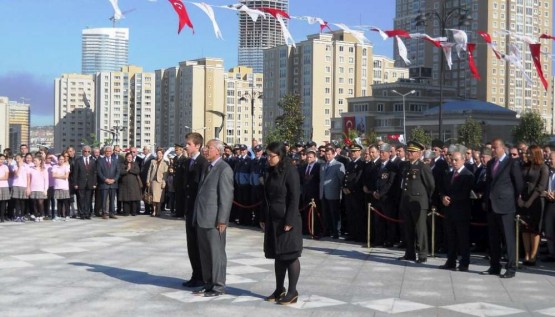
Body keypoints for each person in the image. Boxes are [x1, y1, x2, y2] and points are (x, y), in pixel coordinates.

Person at [261, 141, 302, 305]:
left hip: (287, 219)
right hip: (273, 219)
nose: (268, 159)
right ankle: (279, 289)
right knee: (278, 255)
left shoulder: (290, 171)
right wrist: (263, 217)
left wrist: (290, 220)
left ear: (280, 155)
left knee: (290, 255)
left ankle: (292, 291)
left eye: (271, 156)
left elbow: (294, 197)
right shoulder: (271, 171)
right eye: (267, 155)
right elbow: (266, 197)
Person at [192, 139, 233, 297]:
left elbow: (226, 197)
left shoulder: (224, 169)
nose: (205, 150)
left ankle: (218, 286)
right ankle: (208, 282)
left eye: (208, 147)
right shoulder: (208, 167)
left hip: (215, 220)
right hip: (202, 218)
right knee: (205, 254)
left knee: (216, 255)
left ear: (217, 150)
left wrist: (222, 220)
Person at [482, 138, 523, 278]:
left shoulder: (512, 163)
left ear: (502, 148)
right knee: (493, 239)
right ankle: (494, 266)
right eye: (491, 148)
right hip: (492, 205)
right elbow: (488, 183)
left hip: (506, 205)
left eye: (495, 147)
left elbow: (519, 185)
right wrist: (485, 200)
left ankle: (511, 268)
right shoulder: (490, 163)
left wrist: (515, 200)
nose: (492, 150)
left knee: (508, 238)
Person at [398, 141, 435, 264]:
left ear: (419, 154)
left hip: (419, 202)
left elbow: (431, 185)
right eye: (408, 151)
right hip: (407, 201)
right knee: (408, 229)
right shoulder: (406, 165)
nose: (409, 153)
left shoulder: (423, 166)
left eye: (412, 152)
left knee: (420, 230)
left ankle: (422, 254)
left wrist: (424, 198)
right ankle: (410, 253)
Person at [182, 132, 210, 288]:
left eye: (188, 144)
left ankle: (202, 276)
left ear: (197, 145)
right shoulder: (188, 162)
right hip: (189, 209)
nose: (186, 146)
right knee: (191, 245)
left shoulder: (202, 163)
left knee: (199, 245)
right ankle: (196, 274)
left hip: (198, 210)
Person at [438, 151, 474, 271]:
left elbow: (465, 193)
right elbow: (442, 189)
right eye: (452, 160)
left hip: (461, 211)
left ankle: (464, 263)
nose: (453, 162)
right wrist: (443, 197)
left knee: (463, 239)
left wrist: (451, 199)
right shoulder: (448, 174)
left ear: (463, 160)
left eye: (456, 160)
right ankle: (451, 261)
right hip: (449, 211)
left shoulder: (468, 175)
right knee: (451, 238)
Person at [518, 145, 548, 266]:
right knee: (524, 229)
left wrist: (529, 201)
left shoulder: (543, 167)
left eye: (530, 153)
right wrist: (520, 198)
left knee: (534, 229)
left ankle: (533, 255)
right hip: (524, 198)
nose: (528, 155)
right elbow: (519, 182)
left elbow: (541, 186)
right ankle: (526, 253)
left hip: (536, 201)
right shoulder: (525, 166)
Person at [319, 146, 345, 239]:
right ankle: (327, 231)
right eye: (326, 154)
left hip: (333, 193)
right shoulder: (323, 165)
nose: (327, 156)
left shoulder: (339, 165)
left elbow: (341, 179)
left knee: (334, 214)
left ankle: (336, 231)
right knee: (325, 214)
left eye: (329, 154)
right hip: (323, 193)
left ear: (334, 154)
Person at [73, 146, 97, 219]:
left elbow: (95, 173)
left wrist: (94, 183)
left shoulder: (93, 160)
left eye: (88, 151)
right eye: (85, 151)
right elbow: (75, 173)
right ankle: (81, 214)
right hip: (80, 183)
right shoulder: (78, 160)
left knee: (88, 199)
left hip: (90, 183)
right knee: (80, 199)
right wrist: (75, 183)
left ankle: (87, 213)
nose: (86, 153)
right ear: (82, 151)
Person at [97, 146, 120, 220]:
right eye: (107, 151)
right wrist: (105, 179)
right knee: (104, 199)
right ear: (105, 152)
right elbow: (99, 172)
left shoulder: (115, 160)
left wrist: (114, 179)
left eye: (110, 151)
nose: (108, 153)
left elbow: (118, 172)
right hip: (104, 183)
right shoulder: (100, 161)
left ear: (112, 152)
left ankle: (112, 213)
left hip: (113, 184)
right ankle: (104, 213)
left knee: (112, 199)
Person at [118, 152, 142, 217]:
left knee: (134, 199)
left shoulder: (135, 164)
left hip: (134, 184)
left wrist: (130, 170)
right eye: (128, 157)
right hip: (124, 185)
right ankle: (126, 212)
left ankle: (133, 212)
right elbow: (120, 172)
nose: (129, 159)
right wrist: (127, 170)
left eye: (130, 157)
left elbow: (137, 171)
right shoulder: (122, 164)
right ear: (126, 157)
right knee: (125, 200)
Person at [147, 148, 168, 217]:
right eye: (157, 153)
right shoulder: (153, 161)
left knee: (159, 198)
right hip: (153, 181)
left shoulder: (165, 163)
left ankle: (158, 210)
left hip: (160, 182)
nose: (158, 155)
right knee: (153, 197)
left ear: (162, 154)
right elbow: (149, 171)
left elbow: (165, 174)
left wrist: (164, 182)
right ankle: (154, 210)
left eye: (160, 153)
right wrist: (148, 180)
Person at [26, 155, 49, 222]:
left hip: (41, 189)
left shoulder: (44, 169)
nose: (34, 162)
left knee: (40, 203)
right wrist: (29, 188)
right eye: (34, 161)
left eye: (36, 161)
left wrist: (45, 189)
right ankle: (36, 215)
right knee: (34, 203)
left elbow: (46, 180)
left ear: (40, 161)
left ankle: (41, 215)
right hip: (33, 188)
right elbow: (29, 180)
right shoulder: (31, 169)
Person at [543, 151, 555, 262]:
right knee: (549, 229)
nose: (549, 161)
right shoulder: (548, 172)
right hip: (549, 203)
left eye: (552, 159)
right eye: (549, 159)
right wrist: (547, 193)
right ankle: (551, 253)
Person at [52, 154, 71, 221]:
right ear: (58, 160)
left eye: (63, 159)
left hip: (64, 187)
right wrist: (61, 176)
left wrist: (58, 175)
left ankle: (67, 215)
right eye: (60, 159)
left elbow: (66, 176)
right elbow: (53, 175)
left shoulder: (66, 166)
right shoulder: (55, 166)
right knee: (59, 201)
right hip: (57, 186)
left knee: (66, 201)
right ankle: (58, 215)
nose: (61, 161)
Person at [10, 154, 29, 222]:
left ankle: (22, 215)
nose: (17, 159)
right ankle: (17, 216)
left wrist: (28, 187)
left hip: (23, 185)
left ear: (22, 158)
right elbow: (17, 174)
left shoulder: (26, 166)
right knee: (17, 201)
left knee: (23, 202)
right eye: (16, 158)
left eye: (18, 158)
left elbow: (28, 177)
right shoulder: (15, 166)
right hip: (16, 185)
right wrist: (20, 166)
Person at [0, 154, 9, 222]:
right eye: (1, 159)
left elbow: (6, 177)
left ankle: (2, 217)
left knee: (3, 202)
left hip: (4, 186)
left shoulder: (5, 167)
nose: (2, 161)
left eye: (3, 159)